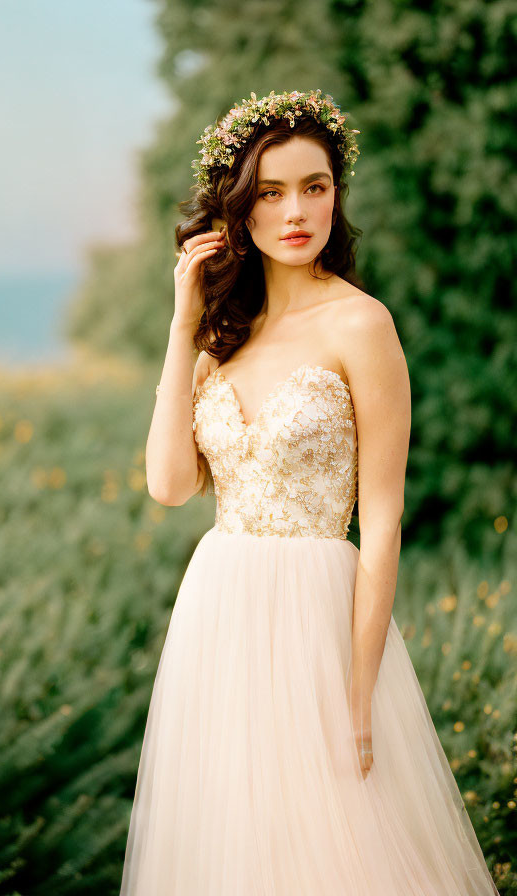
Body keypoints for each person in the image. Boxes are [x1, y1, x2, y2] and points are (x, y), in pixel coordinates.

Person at [119, 89, 500, 895]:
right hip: (218, 614)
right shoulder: (222, 338)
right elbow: (168, 485)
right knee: (234, 845)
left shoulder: (362, 325)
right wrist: (182, 322)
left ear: (337, 194)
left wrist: (358, 689)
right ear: (238, 209)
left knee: (341, 850)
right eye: (271, 191)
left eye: (315, 186)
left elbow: (385, 519)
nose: (297, 210)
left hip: (318, 622)